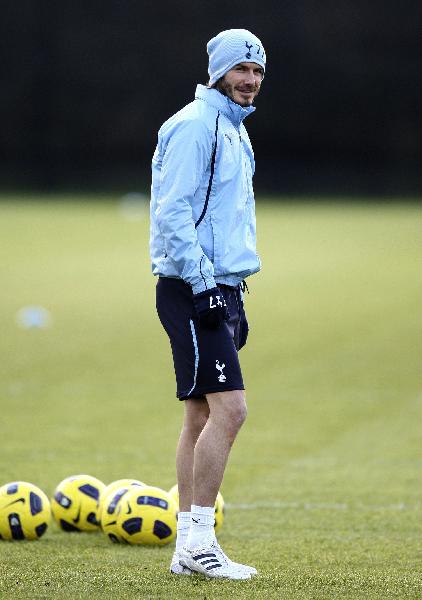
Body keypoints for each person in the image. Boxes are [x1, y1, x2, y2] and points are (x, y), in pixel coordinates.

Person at [149, 28, 266, 580]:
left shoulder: (233, 130)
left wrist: (231, 285)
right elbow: (173, 213)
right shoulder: (198, 126)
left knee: (199, 412)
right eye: (242, 69)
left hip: (222, 286)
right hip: (197, 288)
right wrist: (204, 284)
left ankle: (187, 547)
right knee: (231, 410)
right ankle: (199, 543)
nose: (251, 80)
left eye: (258, 71)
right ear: (219, 72)